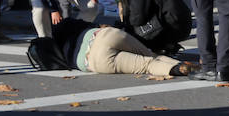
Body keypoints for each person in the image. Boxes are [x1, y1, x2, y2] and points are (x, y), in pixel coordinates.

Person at [45, 19, 194, 78]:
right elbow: (91, 24)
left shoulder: (60, 52)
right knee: (150, 55)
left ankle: (178, 69)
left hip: (95, 60)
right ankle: (184, 65)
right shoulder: (67, 25)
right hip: (104, 35)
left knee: (147, 64)